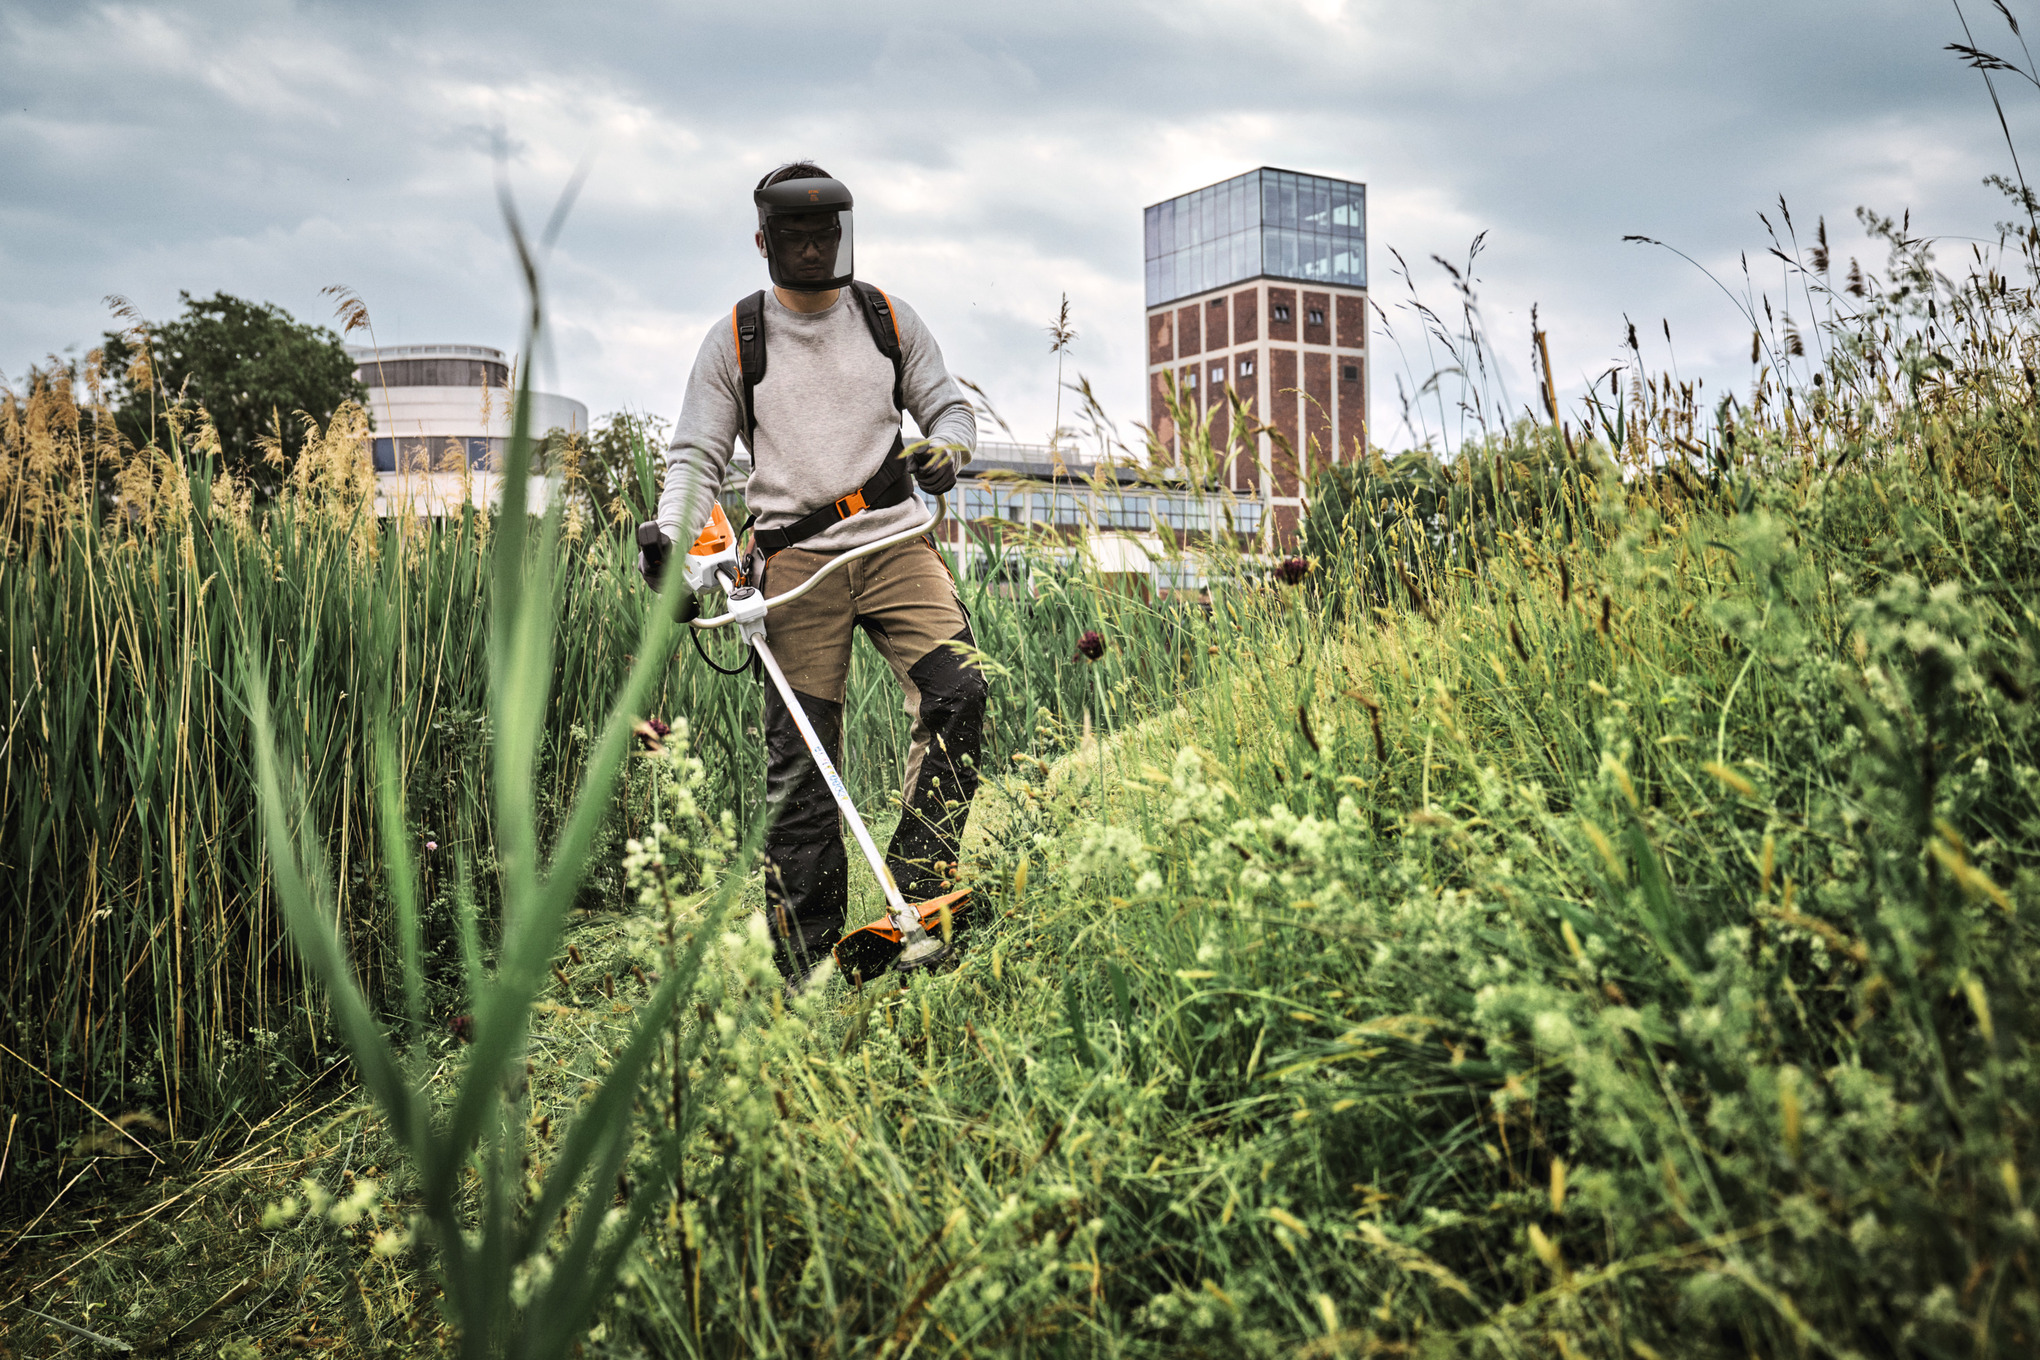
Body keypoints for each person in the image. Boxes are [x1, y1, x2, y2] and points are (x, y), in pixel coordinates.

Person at [645, 161, 986, 987]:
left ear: (844, 234)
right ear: (765, 241)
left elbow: (949, 409)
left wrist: (950, 451)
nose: (812, 248)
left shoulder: (885, 320)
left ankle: (919, 892)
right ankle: (806, 971)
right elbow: (695, 455)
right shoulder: (737, 338)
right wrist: (671, 529)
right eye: (795, 236)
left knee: (961, 693)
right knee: (801, 767)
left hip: (896, 543)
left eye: (825, 233)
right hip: (794, 560)